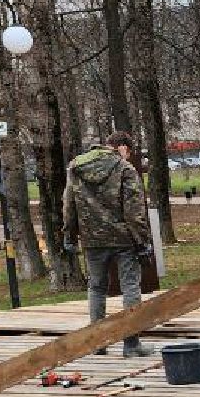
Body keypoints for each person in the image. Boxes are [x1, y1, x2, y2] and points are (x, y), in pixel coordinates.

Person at [62, 131, 154, 358]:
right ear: (122, 147)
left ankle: (98, 343)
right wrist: (142, 241)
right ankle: (131, 345)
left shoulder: (76, 168)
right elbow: (135, 210)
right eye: (128, 152)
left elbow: (69, 204)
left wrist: (70, 236)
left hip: (92, 240)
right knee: (130, 287)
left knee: (96, 288)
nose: (128, 156)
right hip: (123, 240)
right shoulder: (125, 169)